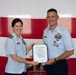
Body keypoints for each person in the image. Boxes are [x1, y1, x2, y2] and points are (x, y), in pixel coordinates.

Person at [43, 8, 74, 75]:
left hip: (60, 65)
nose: (51, 19)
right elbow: (45, 48)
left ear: (57, 17)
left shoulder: (64, 32)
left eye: (53, 16)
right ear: (46, 18)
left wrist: (55, 59)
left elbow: (70, 51)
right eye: (48, 17)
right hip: (48, 65)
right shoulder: (45, 31)